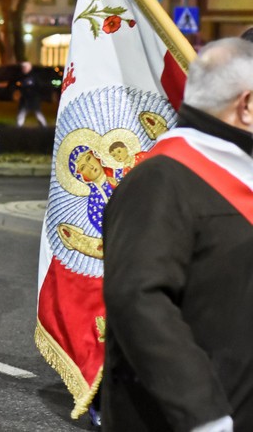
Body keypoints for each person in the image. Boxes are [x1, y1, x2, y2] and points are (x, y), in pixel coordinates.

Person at [102, 37, 253, 431]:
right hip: (191, 417)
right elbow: (138, 298)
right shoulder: (160, 179)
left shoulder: (238, 167)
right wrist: (204, 413)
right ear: (247, 105)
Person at [16, 61, 47, 127]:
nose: (23, 69)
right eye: (23, 68)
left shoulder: (34, 77)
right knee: (22, 112)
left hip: (33, 99)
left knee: (37, 112)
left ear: (28, 68)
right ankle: (19, 126)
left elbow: (39, 86)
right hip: (25, 99)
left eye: (24, 68)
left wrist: (34, 93)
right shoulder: (23, 77)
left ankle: (44, 125)